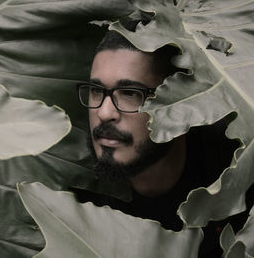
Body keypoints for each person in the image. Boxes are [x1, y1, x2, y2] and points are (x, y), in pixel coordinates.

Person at [73, 30, 250, 257]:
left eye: (129, 93)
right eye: (97, 91)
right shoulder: (76, 197)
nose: (104, 113)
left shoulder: (237, 174)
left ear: (180, 105)